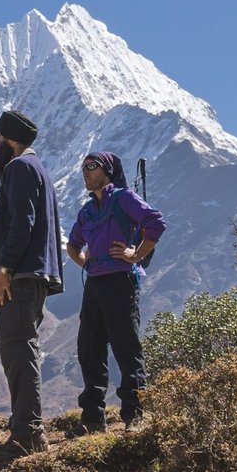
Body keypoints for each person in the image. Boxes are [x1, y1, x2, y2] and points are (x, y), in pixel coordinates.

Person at [0, 109, 64, 460]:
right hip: (37, 275)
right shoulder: (39, 169)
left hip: (19, 276)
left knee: (17, 350)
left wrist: (4, 267)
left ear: (8, 139)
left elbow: (22, 223)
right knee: (23, 347)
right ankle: (26, 427)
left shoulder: (19, 168)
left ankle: (27, 434)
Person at [66, 151, 165, 436]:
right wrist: (84, 260)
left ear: (106, 170)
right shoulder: (86, 211)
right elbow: (73, 245)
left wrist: (136, 254)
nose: (85, 172)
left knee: (126, 349)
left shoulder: (123, 198)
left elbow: (156, 222)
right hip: (95, 285)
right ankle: (93, 419)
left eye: (91, 166)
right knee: (89, 350)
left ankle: (135, 417)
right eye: (83, 167)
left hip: (121, 281)